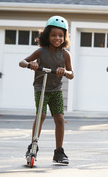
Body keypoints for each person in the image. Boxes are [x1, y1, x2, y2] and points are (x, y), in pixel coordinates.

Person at [19, 15, 74, 164]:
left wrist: (64, 71)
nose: (57, 38)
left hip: (55, 89)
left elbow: (71, 74)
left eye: (61, 35)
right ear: (47, 35)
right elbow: (22, 62)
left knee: (60, 119)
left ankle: (59, 152)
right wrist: (32, 65)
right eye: (54, 35)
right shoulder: (41, 52)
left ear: (65, 37)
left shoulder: (65, 54)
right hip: (41, 88)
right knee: (41, 115)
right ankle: (33, 146)